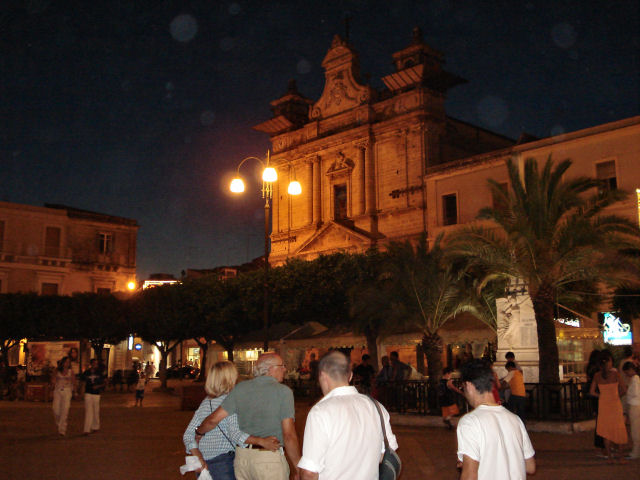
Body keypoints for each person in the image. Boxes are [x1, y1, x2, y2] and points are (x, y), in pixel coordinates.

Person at [195, 353, 301, 480]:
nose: (285, 369)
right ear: (270, 369)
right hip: (268, 458)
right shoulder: (283, 392)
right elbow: (289, 435)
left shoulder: (240, 388)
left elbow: (213, 419)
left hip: (242, 460)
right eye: (282, 366)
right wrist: (298, 467)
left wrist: (200, 432)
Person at [298, 351, 398, 480]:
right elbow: (387, 453)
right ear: (350, 376)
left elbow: (309, 472)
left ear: (322, 375)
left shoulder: (320, 412)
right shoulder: (377, 407)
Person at [183, 361, 280, 480]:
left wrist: (197, 456)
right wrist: (261, 441)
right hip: (224, 463)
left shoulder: (206, 402)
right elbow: (235, 434)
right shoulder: (231, 402)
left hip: (204, 465)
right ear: (229, 378)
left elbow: (188, 435)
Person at [456, 359, 535, 480]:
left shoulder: (470, 422)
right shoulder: (515, 419)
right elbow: (530, 467)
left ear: (469, 385)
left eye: (463, 388)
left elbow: (469, 475)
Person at [589, 350, 628, 464]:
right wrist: (616, 395)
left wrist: (601, 395)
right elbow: (624, 389)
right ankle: (621, 457)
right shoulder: (615, 374)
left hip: (603, 404)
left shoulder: (597, 375)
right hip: (614, 404)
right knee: (619, 429)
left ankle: (609, 457)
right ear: (609, 362)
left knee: (606, 431)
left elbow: (591, 391)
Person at [51, 356, 77, 436]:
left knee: (65, 410)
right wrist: (52, 384)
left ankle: (62, 429)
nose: (67, 364)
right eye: (65, 362)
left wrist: (75, 392)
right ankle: (59, 423)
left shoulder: (70, 372)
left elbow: (74, 382)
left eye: (68, 362)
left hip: (67, 391)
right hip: (58, 390)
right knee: (56, 409)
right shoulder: (57, 371)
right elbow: (53, 380)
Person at [82, 358, 105, 435]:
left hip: (96, 393)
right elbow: (83, 382)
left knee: (96, 410)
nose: (95, 365)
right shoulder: (86, 372)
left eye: (96, 363)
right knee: (88, 411)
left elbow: (104, 383)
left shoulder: (99, 373)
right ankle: (87, 429)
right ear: (91, 364)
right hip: (88, 392)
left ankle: (95, 426)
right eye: (94, 363)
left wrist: (98, 386)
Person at [622, 361, 640, 460]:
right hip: (636, 405)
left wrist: (629, 392)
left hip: (635, 405)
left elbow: (635, 392)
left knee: (635, 430)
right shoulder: (636, 379)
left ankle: (636, 452)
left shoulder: (635, 379)